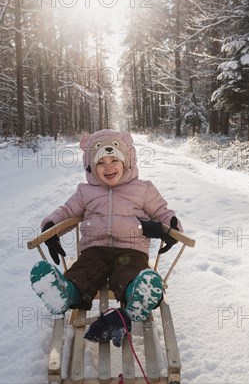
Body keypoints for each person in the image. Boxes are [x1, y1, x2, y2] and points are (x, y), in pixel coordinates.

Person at [30, 129, 181, 346]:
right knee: (84, 270)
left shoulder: (143, 189)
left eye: (114, 160)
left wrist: (170, 227)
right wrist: (50, 227)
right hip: (95, 249)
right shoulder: (85, 192)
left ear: (127, 161)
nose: (108, 166)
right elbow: (66, 211)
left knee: (129, 273)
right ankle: (65, 292)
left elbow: (163, 212)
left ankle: (140, 292)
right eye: (101, 162)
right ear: (91, 166)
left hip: (131, 250)